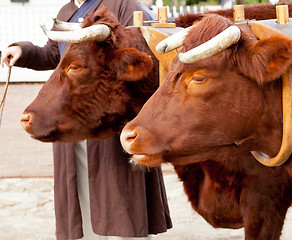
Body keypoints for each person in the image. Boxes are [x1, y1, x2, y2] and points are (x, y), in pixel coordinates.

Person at [1, 1, 172, 240]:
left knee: (120, 197)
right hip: (70, 112)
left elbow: (142, 47)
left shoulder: (122, 3)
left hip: (108, 120)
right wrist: (24, 51)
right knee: (79, 191)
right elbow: (54, 54)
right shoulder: (66, 12)